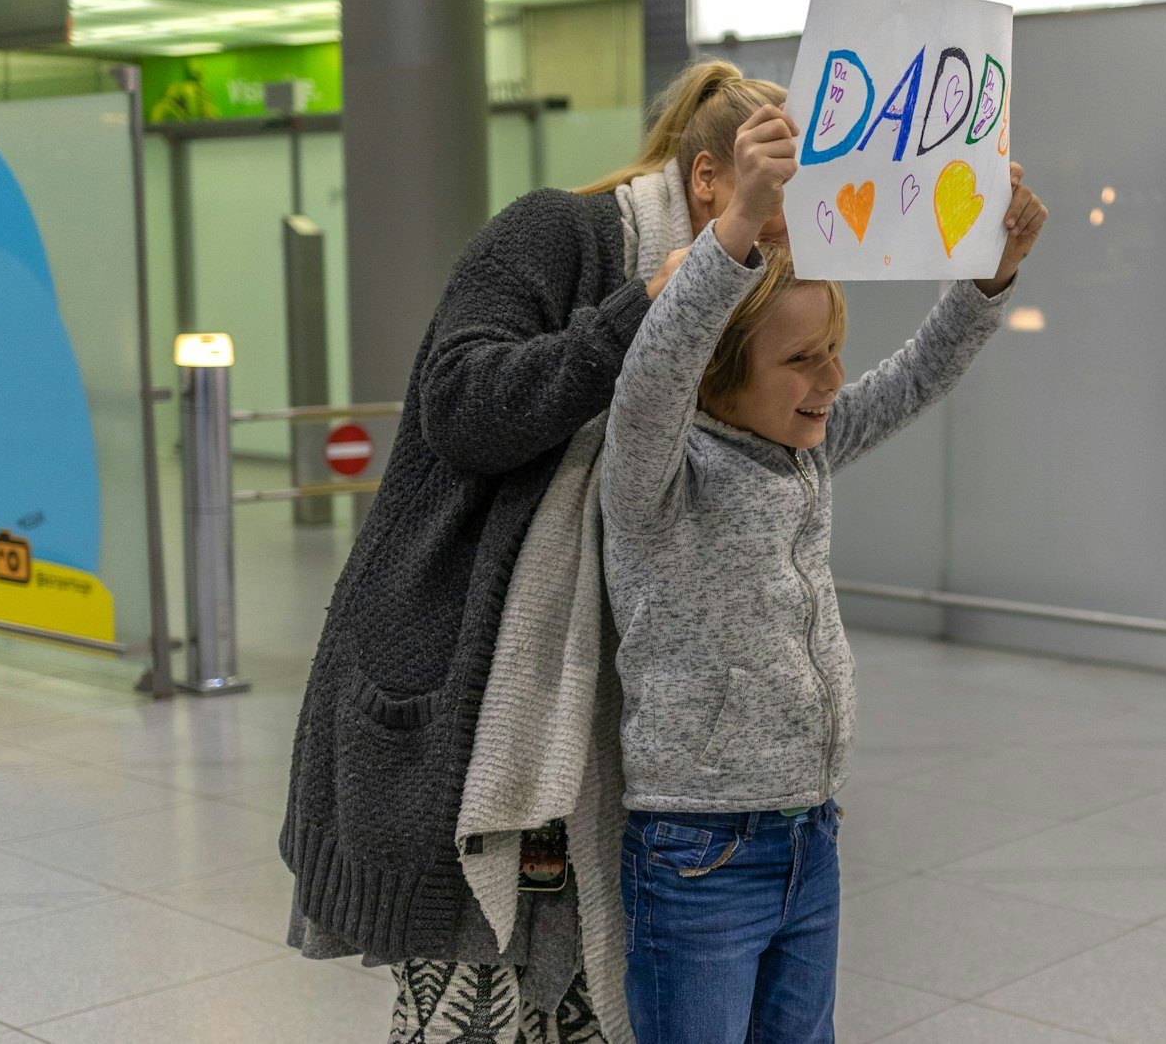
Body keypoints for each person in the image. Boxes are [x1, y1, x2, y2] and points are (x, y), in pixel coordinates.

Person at [278, 60, 790, 1043]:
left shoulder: (751, 293)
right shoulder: (560, 232)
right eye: (774, 197)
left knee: (589, 1007)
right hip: (477, 696)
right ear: (708, 181)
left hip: (629, 720)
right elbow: (461, 408)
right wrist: (649, 307)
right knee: (472, 1008)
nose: (785, 232)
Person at [599, 102, 1048, 1042]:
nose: (834, 378)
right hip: (697, 854)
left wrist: (989, 274)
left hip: (811, 832)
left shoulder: (804, 448)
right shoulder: (658, 472)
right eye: (802, 360)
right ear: (718, 375)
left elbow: (916, 374)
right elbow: (654, 372)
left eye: (833, 351)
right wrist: (731, 237)